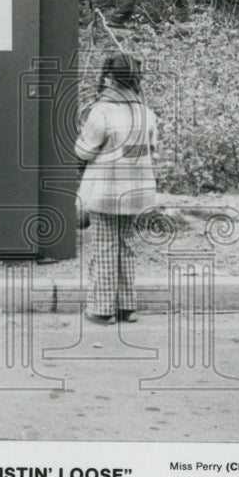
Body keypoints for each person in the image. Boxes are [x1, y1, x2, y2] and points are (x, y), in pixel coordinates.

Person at [75, 53, 158, 325]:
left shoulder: (102, 111)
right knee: (126, 245)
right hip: (136, 192)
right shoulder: (146, 113)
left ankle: (102, 309)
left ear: (109, 78)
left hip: (105, 193)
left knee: (105, 247)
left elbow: (84, 151)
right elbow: (152, 149)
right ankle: (127, 306)